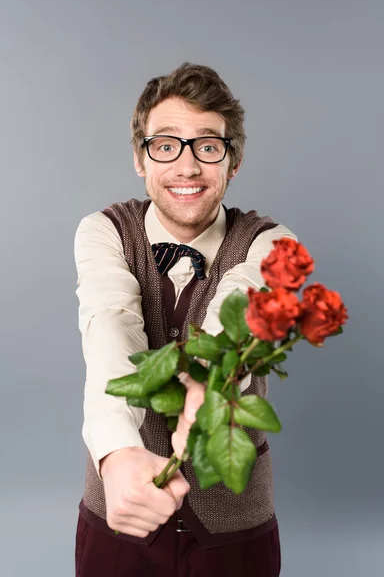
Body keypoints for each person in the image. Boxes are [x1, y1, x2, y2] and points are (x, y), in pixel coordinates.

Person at [73, 61, 298, 576]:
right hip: (118, 515)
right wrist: (117, 455)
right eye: (167, 144)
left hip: (235, 525)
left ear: (232, 163)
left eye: (208, 146)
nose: (188, 167)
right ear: (140, 158)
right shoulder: (103, 231)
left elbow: (240, 300)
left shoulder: (274, 244)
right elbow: (110, 322)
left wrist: (207, 378)